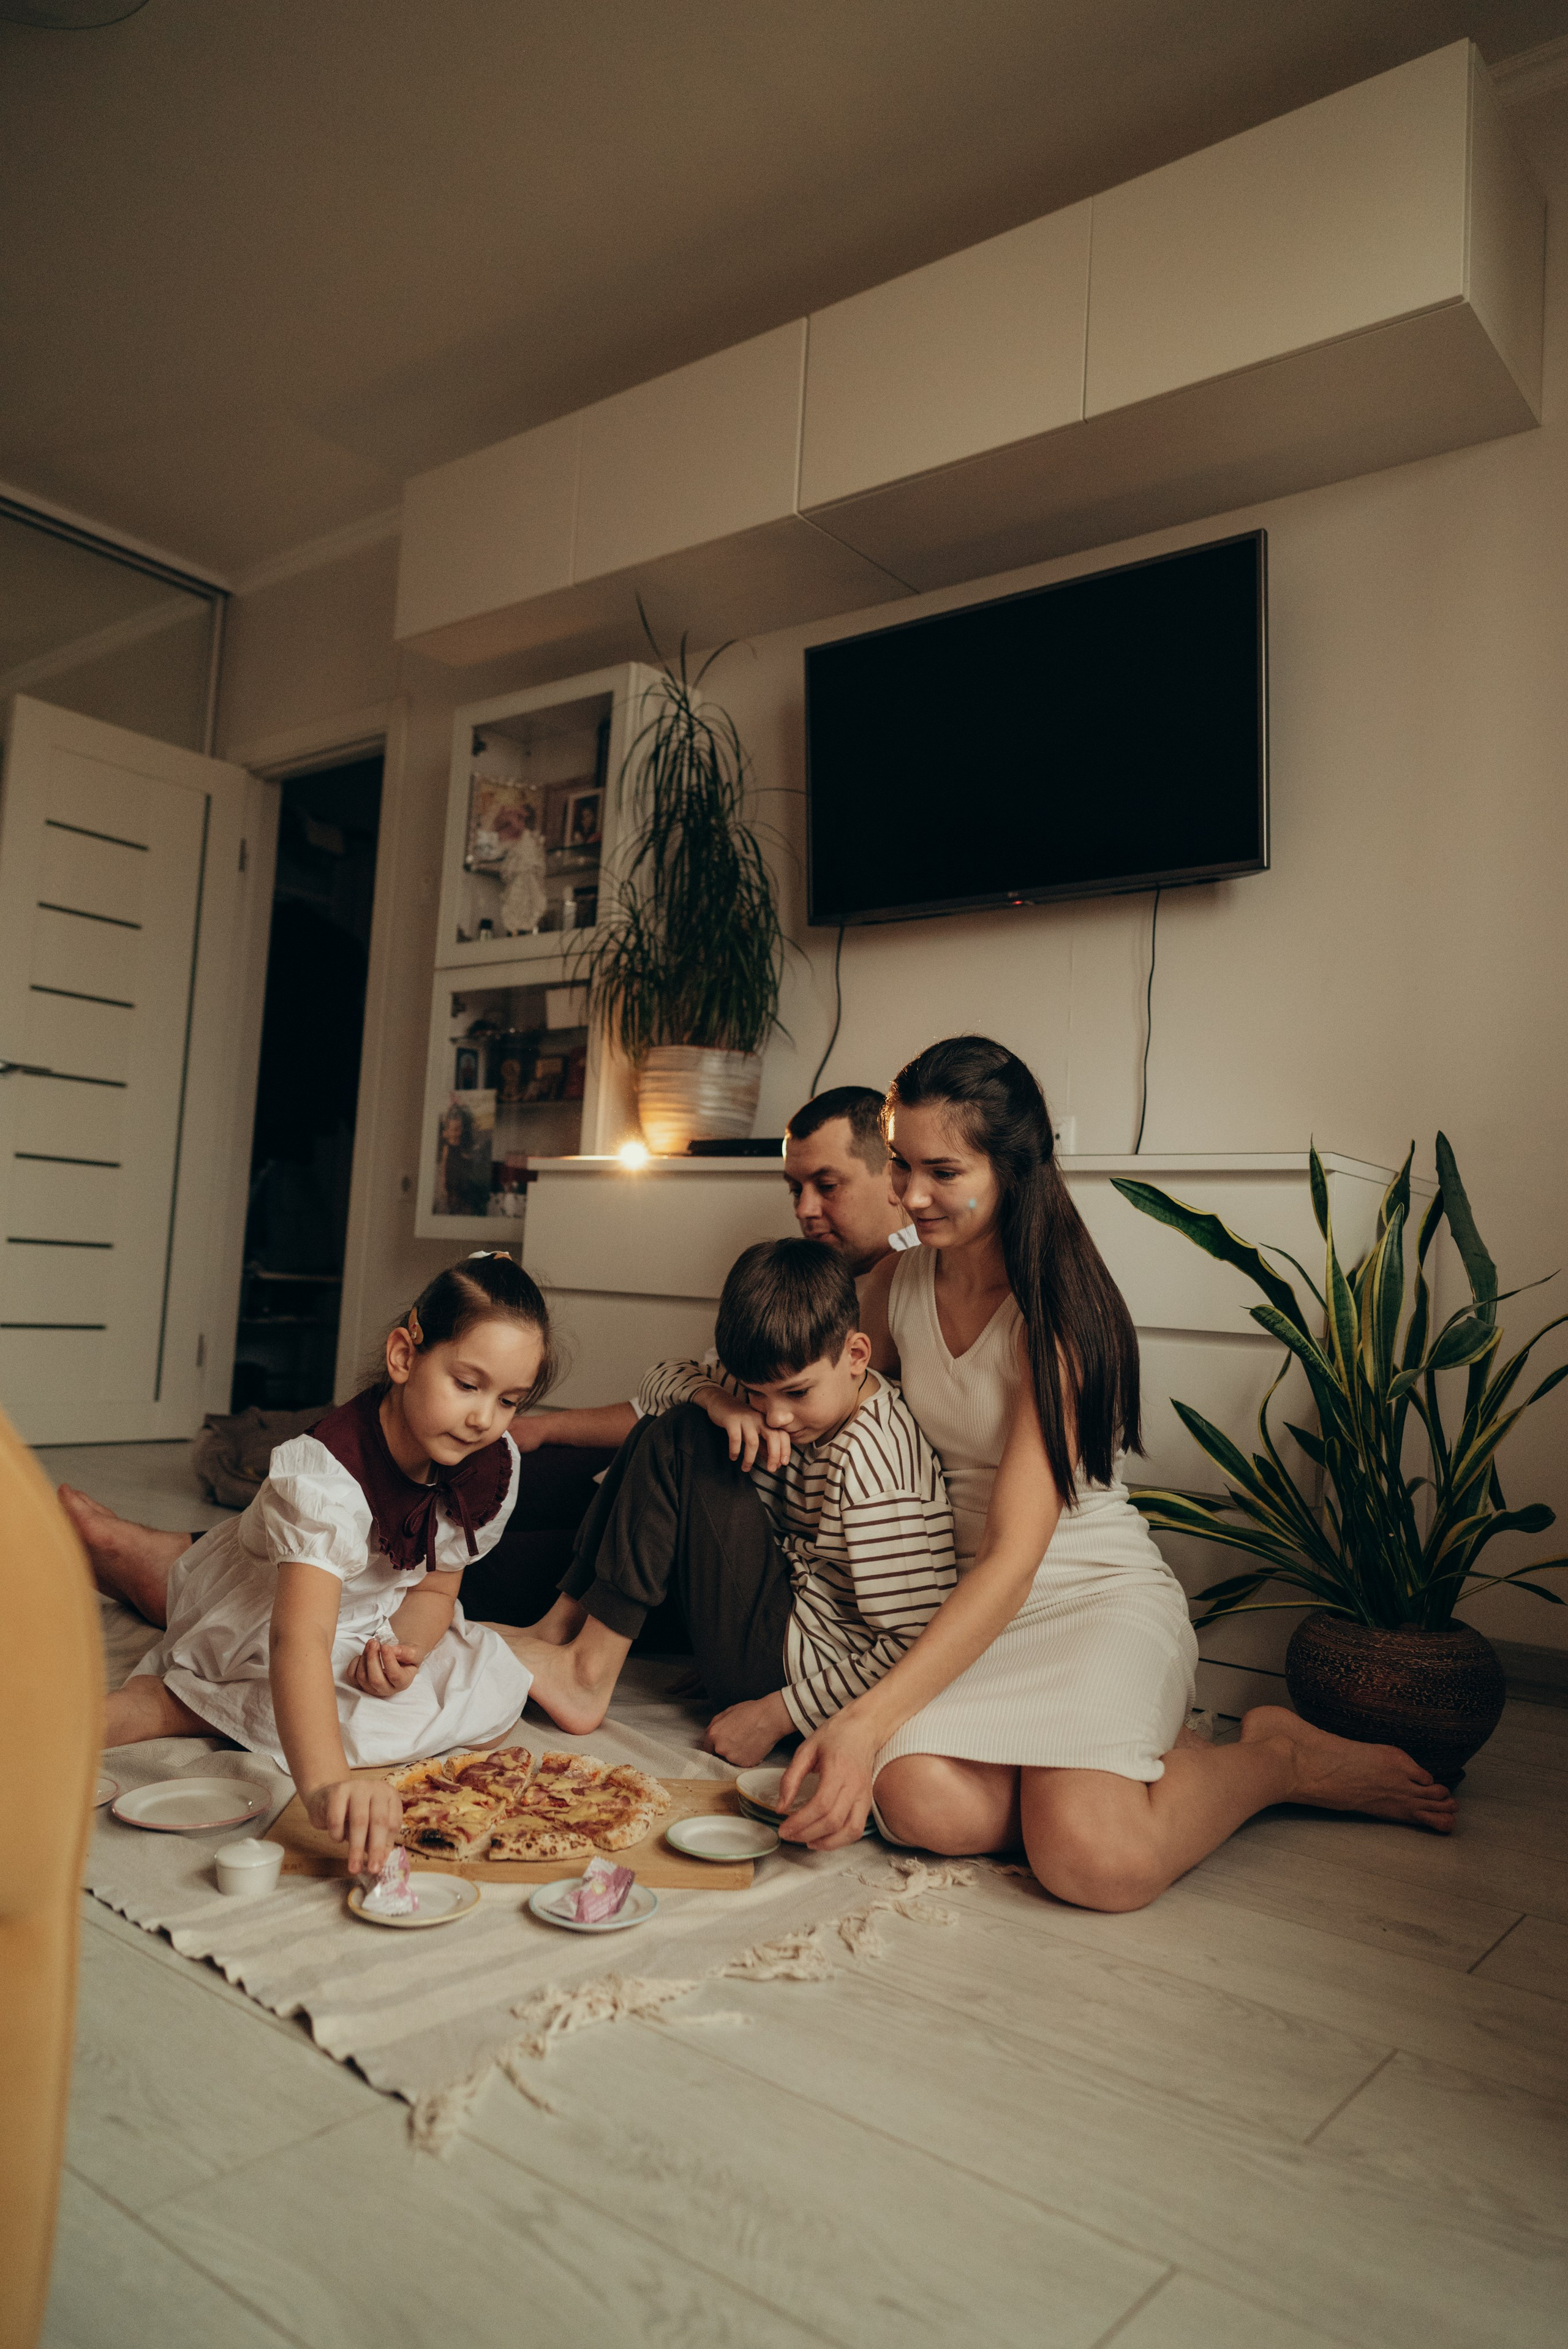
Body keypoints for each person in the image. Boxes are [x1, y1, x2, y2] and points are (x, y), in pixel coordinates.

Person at [775, 1036, 1459, 1905]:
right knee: (917, 1802)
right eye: (903, 1165)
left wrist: (863, 1719)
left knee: (1095, 1862)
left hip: (1089, 1595)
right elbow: (812, 1380)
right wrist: (727, 1402)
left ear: (1014, 1166)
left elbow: (1016, 1558)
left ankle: (1274, 1757)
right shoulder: (899, 1282)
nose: (909, 1195)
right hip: (973, 1608)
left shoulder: (1056, 1316)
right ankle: (1103, 1770)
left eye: (941, 1171)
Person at [61, 1085, 914, 1627]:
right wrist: (542, 1429)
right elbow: (674, 1391)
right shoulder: (799, 1280)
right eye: (793, 1186)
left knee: (456, 1552)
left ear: (893, 1175)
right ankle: (205, 1548)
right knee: (485, 1462)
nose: (804, 1207)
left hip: (711, 1537)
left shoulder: (897, 1298)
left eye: (827, 1184)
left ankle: (179, 1577)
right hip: (664, 1472)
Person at [86, 1253, 550, 1874]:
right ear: (404, 1356)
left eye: (509, 1400)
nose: (483, 1418)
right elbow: (298, 1639)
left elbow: (436, 1589)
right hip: (270, 1617)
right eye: (467, 1384)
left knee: (487, 1693)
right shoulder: (326, 1475)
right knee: (275, 1706)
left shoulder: (489, 1464)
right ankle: (176, 1695)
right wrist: (327, 1787)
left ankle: (201, 1660)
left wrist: (401, 1655)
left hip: (370, 1619)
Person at [516, 1238, 956, 1766]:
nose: (774, 1417)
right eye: (756, 1393)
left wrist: (777, 1714)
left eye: (796, 1394)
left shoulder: (877, 1463)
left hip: (799, 1679)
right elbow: (659, 1380)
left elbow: (915, 1649)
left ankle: (587, 1675)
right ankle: (558, 1629)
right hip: (776, 1613)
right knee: (667, 1423)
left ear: (856, 1356)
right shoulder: (774, 1381)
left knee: (681, 1436)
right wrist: (722, 1402)